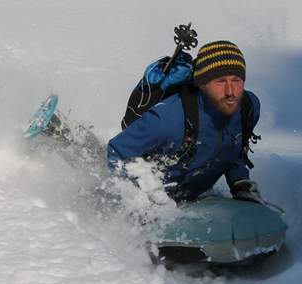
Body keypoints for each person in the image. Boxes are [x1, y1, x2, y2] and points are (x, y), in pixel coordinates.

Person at [106, 40, 264, 204]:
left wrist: (239, 182)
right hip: (157, 204)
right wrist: (147, 195)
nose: (230, 91)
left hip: (191, 202)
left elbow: (233, 147)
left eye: (237, 80)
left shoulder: (249, 108)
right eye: (220, 81)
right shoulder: (169, 118)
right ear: (202, 84)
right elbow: (117, 151)